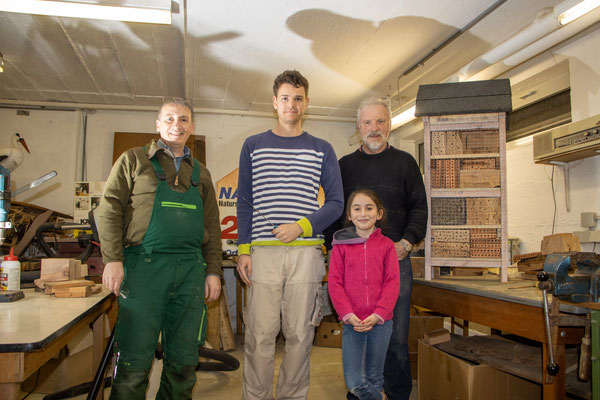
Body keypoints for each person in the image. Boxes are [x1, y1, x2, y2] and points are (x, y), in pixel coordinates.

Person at [97, 98, 223, 399]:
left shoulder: (201, 174)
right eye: (169, 119)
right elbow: (109, 209)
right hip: (143, 269)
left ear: (191, 127)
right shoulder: (133, 160)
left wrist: (214, 271)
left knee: (183, 361)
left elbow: (213, 227)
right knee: (134, 360)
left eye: (183, 120)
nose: (176, 125)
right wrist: (112, 259)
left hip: (192, 271)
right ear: (157, 125)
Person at [236, 70, 344, 400]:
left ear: (306, 103)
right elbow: (244, 201)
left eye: (298, 98)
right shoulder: (253, 145)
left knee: (300, 334)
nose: (291, 104)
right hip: (263, 255)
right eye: (285, 98)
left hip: (305, 254)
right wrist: (243, 249)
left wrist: (302, 226)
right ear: (274, 102)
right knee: (260, 335)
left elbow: (337, 202)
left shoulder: (322, 148)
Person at [328, 97, 428, 400]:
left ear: (389, 124)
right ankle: (362, 393)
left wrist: (407, 243)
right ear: (359, 127)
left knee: (395, 338)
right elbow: (333, 209)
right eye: (368, 122)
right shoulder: (344, 166)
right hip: (353, 263)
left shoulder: (405, 162)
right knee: (357, 332)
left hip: (394, 260)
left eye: (380, 121)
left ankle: (397, 394)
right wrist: (336, 247)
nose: (374, 128)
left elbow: (420, 208)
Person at [328, 189, 400, 400]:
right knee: (355, 383)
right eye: (356, 209)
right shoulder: (340, 245)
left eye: (369, 208)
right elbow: (334, 283)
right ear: (349, 215)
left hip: (381, 323)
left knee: (375, 378)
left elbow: (392, 283)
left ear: (379, 213)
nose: (363, 213)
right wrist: (347, 314)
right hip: (353, 323)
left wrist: (379, 314)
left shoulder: (387, 246)